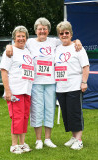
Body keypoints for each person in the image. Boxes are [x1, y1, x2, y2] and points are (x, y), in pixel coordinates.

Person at [6, 17, 82, 150]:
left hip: (51, 83)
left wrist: (78, 41)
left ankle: (47, 138)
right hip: (35, 83)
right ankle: (38, 140)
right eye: (40, 29)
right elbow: (17, 43)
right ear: (36, 30)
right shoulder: (29, 42)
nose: (42, 31)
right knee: (37, 110)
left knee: (49, 110)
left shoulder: (54, 42)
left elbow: (68, 40)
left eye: (45, 29)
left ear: (48, 31)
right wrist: (8, 46)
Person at [55, 21, 89, 150]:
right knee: (67, 113)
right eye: (61, 33)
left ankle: (79, 139)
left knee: (75, 113)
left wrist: (84, 82)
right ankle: (73, 137)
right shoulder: (57, 48)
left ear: (71, 34)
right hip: (60, 87)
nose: (64, 35)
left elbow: (85, 66)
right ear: (59, 35)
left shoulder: (78, 48)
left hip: (74, 86)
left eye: (66, 33)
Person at [0, 26, 34, 154]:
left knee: (25, 117)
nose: (21, 38)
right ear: (14, 38)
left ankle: (22, 143)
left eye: (23, 36)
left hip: (27, 90)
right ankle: (14, 145)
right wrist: (7, 91)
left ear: (26, 38)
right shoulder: (10, 51)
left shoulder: (27, 51)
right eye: (18, 36)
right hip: (15, 91)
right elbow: (4, 71)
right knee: (17, 118)